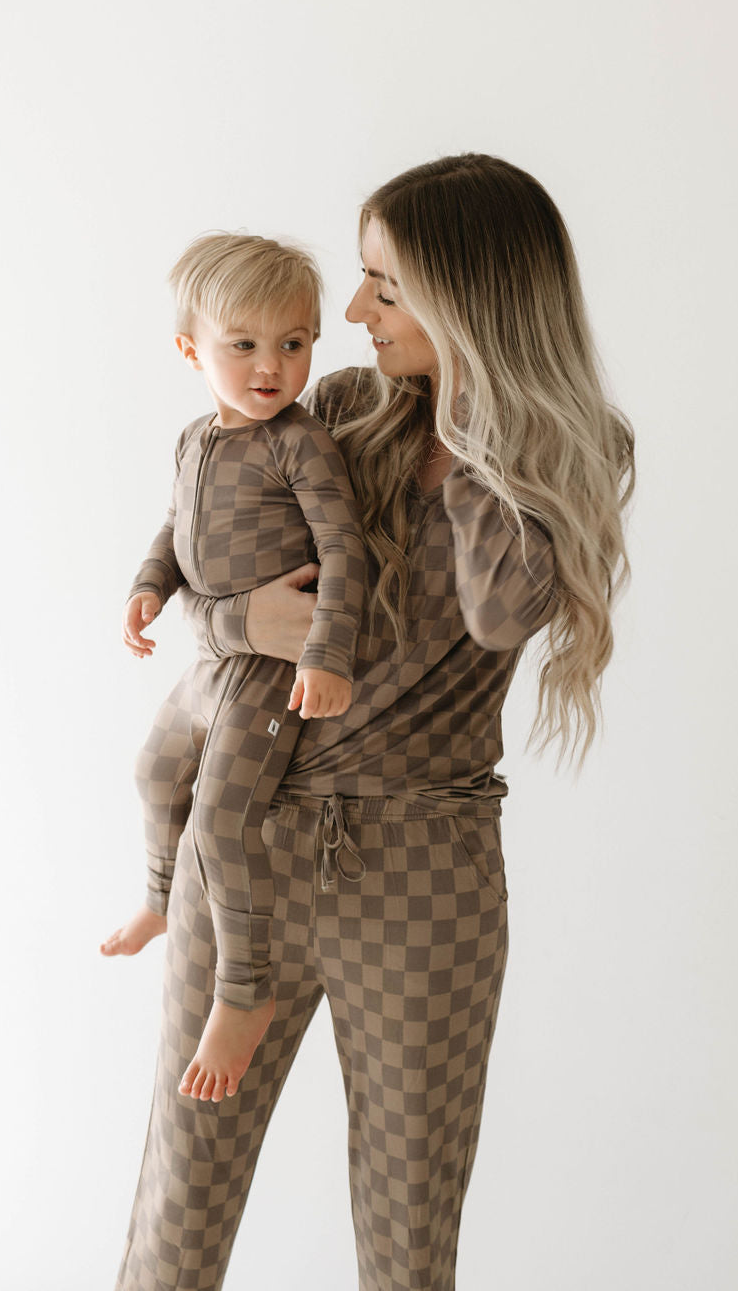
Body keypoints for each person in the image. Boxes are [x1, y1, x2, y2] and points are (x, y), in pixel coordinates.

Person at [113, 153, 636, 1291]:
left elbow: (502, 612)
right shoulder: (338, 408)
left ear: (468, 301)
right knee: (178, 1207)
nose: (349, 315)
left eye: (385, 289)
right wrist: (228, 617)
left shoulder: (569, 452)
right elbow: (210, 573)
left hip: (426, 869)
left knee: (408, 1232)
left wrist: (468, 438)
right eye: (360, 282)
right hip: (248, 831)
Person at [101, 231, 367, 1100]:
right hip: (214, 664)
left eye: (294, 344)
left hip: (269, 673)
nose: (271, 366)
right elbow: (174, 529)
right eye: (243, 344)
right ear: (191, 350)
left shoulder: (299, 441)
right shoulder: (195, 439)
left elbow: (345, 548)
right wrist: (149, 584)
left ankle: (244, 993)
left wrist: (325, 655)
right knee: (153, 769)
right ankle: (158, 894)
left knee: (223, 820)